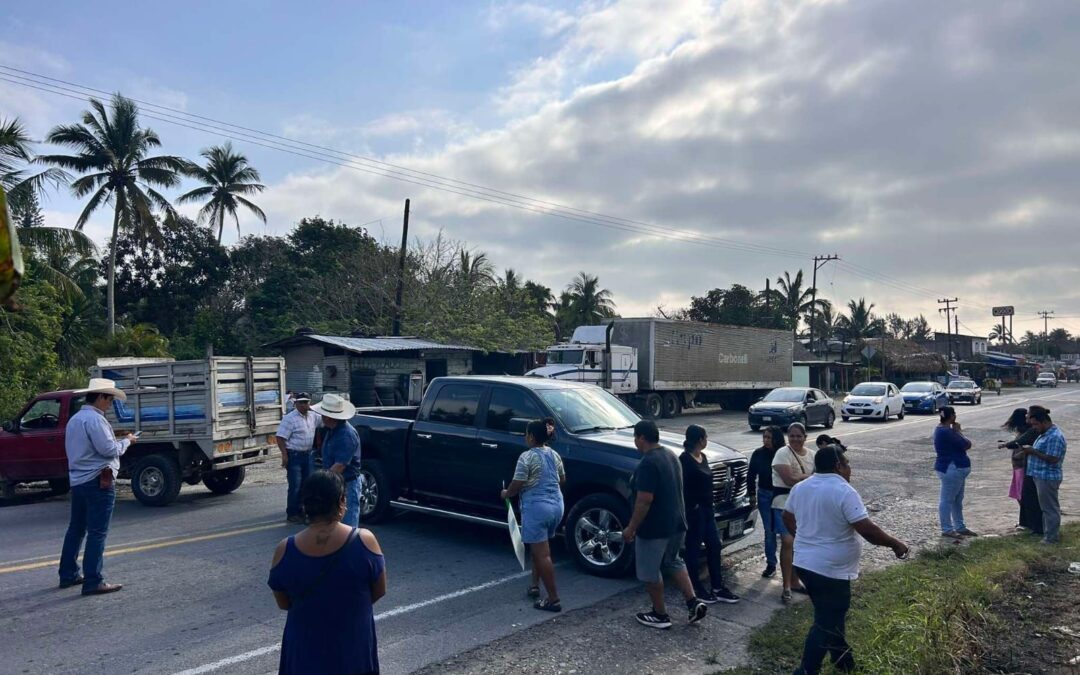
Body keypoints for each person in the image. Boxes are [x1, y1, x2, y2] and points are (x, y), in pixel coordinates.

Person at [783, 446, 908, 675]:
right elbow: (866, 529)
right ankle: (805, 671)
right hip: (829, 570)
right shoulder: (843, 490)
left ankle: (843, 661)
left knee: (831, 614)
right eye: (847, 463)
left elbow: (787, 516)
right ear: (837, 466)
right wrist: (895, 544)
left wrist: (803, 537)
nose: (850, 468)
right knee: (825, 621)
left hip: (805, 565)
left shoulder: (801, 487)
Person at [269, 471, 386, 675]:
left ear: (305, 505)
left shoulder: (284, 549)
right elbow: (379, 591)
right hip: (352, 650)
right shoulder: (365, 541)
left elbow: (284, 603)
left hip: (304, 653)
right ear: (341, 501)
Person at [623, 420, 708, 629]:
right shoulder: (670, 454)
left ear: (641, 437)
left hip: (655, 528)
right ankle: (692, 602)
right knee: (673, 561)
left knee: (649, 572)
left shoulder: (648, 463)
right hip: (677, 523)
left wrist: (631, 528)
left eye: (635, 437)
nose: (635, 441)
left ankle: (660, 614)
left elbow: (645, 499)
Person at [59, 378, 136, 595]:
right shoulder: (95, 420)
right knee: (97, 532)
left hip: (79, 480)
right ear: (101, 397)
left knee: (76, 529)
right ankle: (93, 580)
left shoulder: (75, 419)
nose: (110, 405)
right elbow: (108, 449)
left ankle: (68, 574)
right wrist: (128, 441)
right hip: (98, 480)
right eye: (109, 400)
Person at [501, 420, 565, 611]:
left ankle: (553, 599)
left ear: (530, 437)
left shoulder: (526, 457)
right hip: (557, 506)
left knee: (542, 554)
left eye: (526, 434)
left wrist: (506, 493)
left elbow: (517, 484)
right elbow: (562, 479)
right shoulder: (554, 455)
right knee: (540, 549)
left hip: (537, 508)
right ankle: (534, 586)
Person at [680, 425, 739, 604]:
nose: (707, 440)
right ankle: (696, 587)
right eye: (705, 437)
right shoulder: (684, 460)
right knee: (693, 548)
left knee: (715, 545)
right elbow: (682, 487)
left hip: (708, 510)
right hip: (694, 511)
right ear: (699, 439)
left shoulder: (703, 457)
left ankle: (717, 586)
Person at [771, 422, 816, 603]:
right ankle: (786, 586)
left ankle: (795, 581)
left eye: (799, 436)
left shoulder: (813, 455)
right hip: (783, 503)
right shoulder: (782, 453)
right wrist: (808, 477)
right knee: (788, 541)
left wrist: (803, 479)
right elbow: (789, 480)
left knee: (800, 543)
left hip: (804, 505)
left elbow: (818, 479)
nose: (795, 439)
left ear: (805, 437)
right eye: (792, 436)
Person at [312, 394, 362, 526]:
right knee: (335, 522)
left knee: (348, 524)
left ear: (327, 417)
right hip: (338, 482)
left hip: (347, 484)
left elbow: (339, 466)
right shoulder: (332, 430)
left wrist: (322, 482)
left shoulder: (346, 435)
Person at [1021, 407, 1067, 544]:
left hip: (1047, 477)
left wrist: (1032, 451)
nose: (1034, 428)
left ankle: (1051, 538)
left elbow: (1053, 458)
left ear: (1044, 422)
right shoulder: (1044, 433)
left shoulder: (1054, 436)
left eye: (1035, 424)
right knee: (1045, 508)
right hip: (1039, 475)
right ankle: (1047, 534)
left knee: (1050, 508)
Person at [276, 392, 320, 524]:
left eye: (306, 402)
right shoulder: (290, 418)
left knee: (307, 484)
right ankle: (292, 513)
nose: (303, 404)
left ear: (309, 403)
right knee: (295, 485)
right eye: (300, 402)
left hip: (308, 454)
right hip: (294, 455)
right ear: (296, 404)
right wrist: (284, 455)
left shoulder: (313, 416)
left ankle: (303, 510)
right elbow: (280, 437)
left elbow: (325, 422)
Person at [749, 425, 786, 578]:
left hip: (781, 495)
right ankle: (771, 563)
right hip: (764, 495)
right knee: (769, 530)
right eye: (764, 437)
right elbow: (751, 475)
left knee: (785, 531)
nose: (766, 440)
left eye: (769, 437)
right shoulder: (758, 453)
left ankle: (790, 563)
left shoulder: (783, 453)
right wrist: (751, 495)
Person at [934, 406, 975, 539]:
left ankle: (960, 526)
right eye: (954, 414)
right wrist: (959, 432)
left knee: (957, 499)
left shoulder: (943, 430)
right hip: (951, 468)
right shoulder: (947, 432)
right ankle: (947, 528)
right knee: (947, 500)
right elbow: (967, 444)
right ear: (951, 416)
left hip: (955, 468)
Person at [1000, 407, 1042, 534]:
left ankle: (1030, 523)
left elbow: (1021, 443)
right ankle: (1026, 521)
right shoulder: (1027, 430)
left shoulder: (1029, 431)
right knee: (1021, 494)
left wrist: (1008, 445)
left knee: (1023, 495)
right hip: (1018, 466)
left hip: (1022, 466)